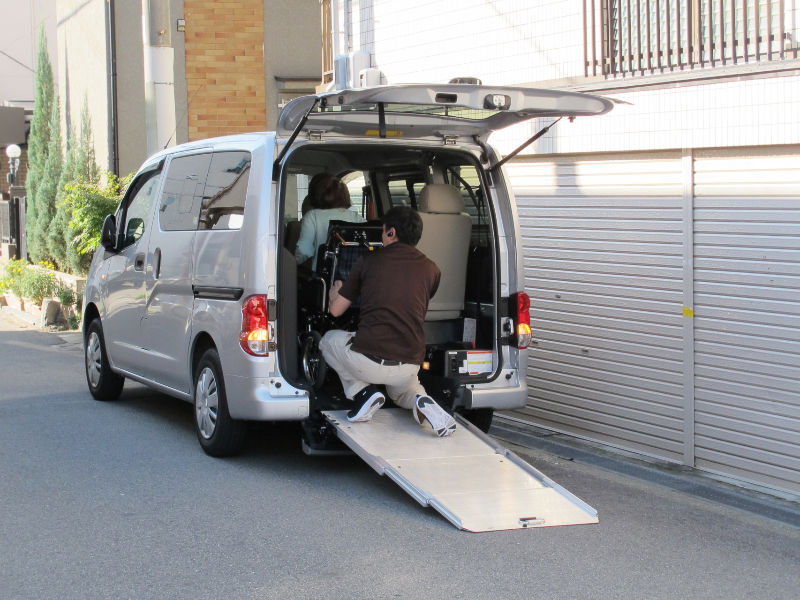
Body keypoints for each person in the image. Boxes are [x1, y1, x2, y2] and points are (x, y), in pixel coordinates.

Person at [319, 206, 457, 437]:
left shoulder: (369, 261)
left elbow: (335, 311)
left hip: (369, 361)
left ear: (391, 232)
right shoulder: (432, 269)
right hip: (410, 362)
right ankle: (423, 401)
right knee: (404, 393)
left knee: (328, 340)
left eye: (383, 231)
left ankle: (363, 393)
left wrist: (336, 291)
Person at [294, 176, 365, 270]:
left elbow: (304, 251)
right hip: (354, 274)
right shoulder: (356, 217)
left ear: (316, 196)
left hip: (324, 275)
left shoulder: (312, 216)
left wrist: (292, 262)